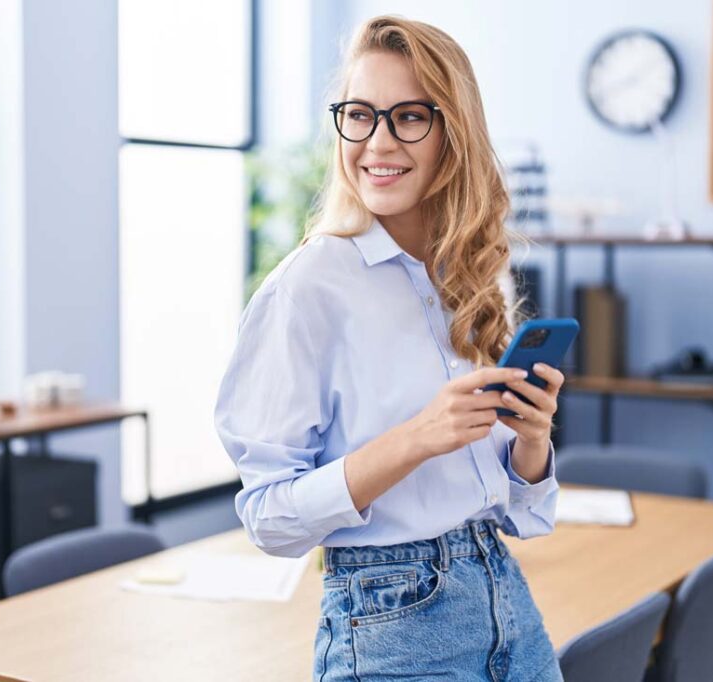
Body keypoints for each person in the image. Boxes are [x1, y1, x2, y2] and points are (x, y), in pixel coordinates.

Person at [214, 15, 565, 681]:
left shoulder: (473, 273)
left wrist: (531, 443)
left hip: (502, 597)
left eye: (407, 117)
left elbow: (524, 513)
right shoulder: (311, 286)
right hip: (389, 619)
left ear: (451, 133)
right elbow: (269, 520)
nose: (377, 142)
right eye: (359, 115)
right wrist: (416, 438)